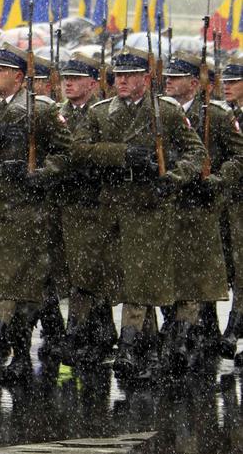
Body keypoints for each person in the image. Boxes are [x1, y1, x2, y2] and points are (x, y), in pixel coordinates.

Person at [72, 47, 205, 383]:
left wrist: (173, 178)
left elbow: (195, 152)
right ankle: (147, 350)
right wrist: (123, 154)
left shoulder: (167, 112)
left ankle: (129, 348)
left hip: (150, 206)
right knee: (123, 280)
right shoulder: (101, 113)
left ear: (146, 78)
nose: (123, 82)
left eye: (130, 76)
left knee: (142, 281)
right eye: (118, 76)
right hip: (113, 207)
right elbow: (78, 150)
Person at [0, 43, 72, 381]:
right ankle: (11, 352)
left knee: (19, 287)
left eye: (1, 70)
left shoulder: (42, 112)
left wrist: (39, 174)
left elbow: (67, 154)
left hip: (27, 213)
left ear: (19, 77)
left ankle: (3, 347)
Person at [163, 51, 243, 370]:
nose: (168, 80)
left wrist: (218, 179)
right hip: (169, 203)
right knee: (171, 272)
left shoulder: (217, 116)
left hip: (209, 204)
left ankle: (196, 334)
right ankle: (187, 331)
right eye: (167, 76)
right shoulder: (163, 112)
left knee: (204, 272)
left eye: (176, 77)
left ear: (194, 83)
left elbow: (239, 156)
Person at [53, 53, 118, 366]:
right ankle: (86, 332)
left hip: (97, 202)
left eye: (76, 79)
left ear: (93, 83)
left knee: (94, 271)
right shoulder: (59, 113)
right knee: (76, 271)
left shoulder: (104, 113)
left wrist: (87, 165)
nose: (68, 84)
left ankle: (97, 334)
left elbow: (107, 154)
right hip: (68, 202)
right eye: (66, 78)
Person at [220, 57, 243, 362]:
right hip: (230, 203)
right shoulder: (225, 115)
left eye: (233, 82)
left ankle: (234, 331)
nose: (226, 87)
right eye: (224, 82)